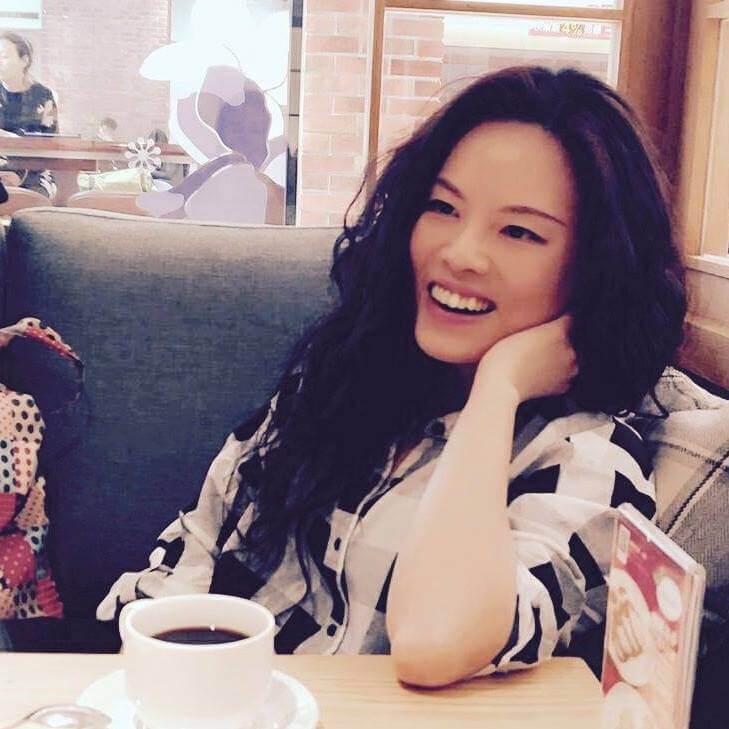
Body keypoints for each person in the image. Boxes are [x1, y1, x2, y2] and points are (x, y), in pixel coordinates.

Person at [98, 66, 686, 686]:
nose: (459, 254)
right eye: (443, 207)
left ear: (595, 268)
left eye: (519, 231)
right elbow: (195, 549)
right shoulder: (340, 375)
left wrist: (500, 387)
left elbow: (437, 642)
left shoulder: (587, 463)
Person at [0, 32, 58, 197]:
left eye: (4, 56)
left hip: (35, 172)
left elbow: (51, 140)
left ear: (24, 60)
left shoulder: (44, 96)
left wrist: (19, 171)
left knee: (34, 197)